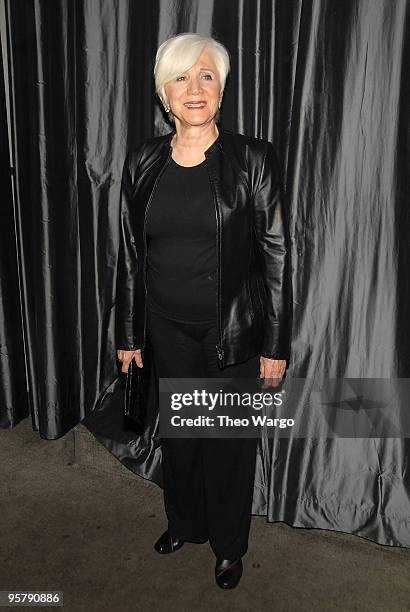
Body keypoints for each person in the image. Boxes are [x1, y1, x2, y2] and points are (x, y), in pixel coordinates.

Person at [115, 32, 291, 590]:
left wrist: (275, 344)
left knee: (226, 443)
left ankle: (229, 546)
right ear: (164, 93)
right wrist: (129, 333)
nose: (195, 88)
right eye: (182, 77)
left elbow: (276, 254)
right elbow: (130, 253)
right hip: (165, 330)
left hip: (232, 335)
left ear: (221, 89)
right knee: (182, 436)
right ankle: (184, 524)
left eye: (207, 76)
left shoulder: (252, 158)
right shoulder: (143, 159)